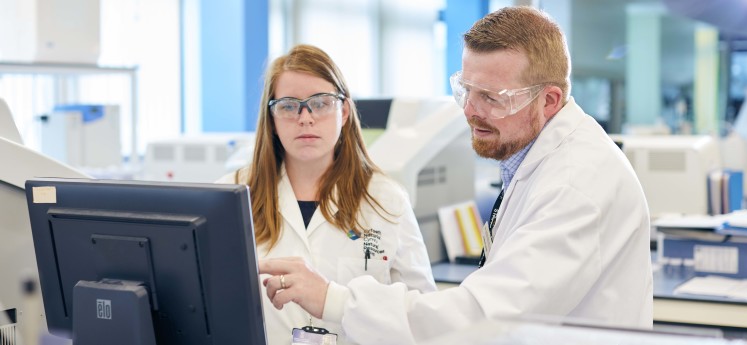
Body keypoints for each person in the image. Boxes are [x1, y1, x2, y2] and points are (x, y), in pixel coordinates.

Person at [259, 6, 653, 344]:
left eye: (491, 98)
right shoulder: (536, 162)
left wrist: (334, 300)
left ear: (549, 100)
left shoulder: (576, 184)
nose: (469, 111)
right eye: (466, 90)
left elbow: (485, 317)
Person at [216, 44, 436, 344]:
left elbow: (423, 316)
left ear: (343, 111)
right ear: (272, 119)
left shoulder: (386, 199)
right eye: (289, 106)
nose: (305, 118)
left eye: (320, 103)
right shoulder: (232, 195)